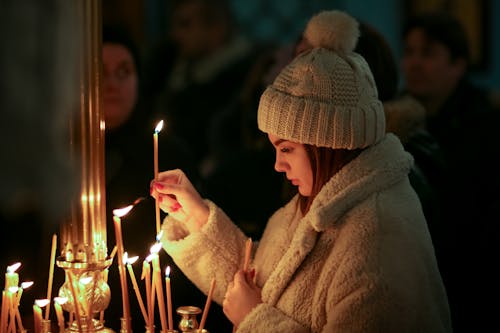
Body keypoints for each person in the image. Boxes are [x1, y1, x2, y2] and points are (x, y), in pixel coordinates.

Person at [151, 10, 452, 332]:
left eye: (287, 149)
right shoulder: (321, 202)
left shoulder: (377, 239)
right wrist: (195, 217)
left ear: (328, 143)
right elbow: (260, 283)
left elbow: (256, 307)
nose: (278, 165)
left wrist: (256, 321)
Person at [101, 25, 229, 332]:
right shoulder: (57, 159)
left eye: (124, 71)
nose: (112, 83)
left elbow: (202, 249)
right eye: (99, 72)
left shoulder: (169, 156)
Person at [400, 12, 500, 332]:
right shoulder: (391, 119)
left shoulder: (485, 127)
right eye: (409, 52)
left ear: (458, 64)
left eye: (427, 54)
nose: (414, 63)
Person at [144, 0, 263, 183]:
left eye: (185, 25)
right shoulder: (170, 63)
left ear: (217, 28)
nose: (176, 35)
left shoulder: (245, 76)